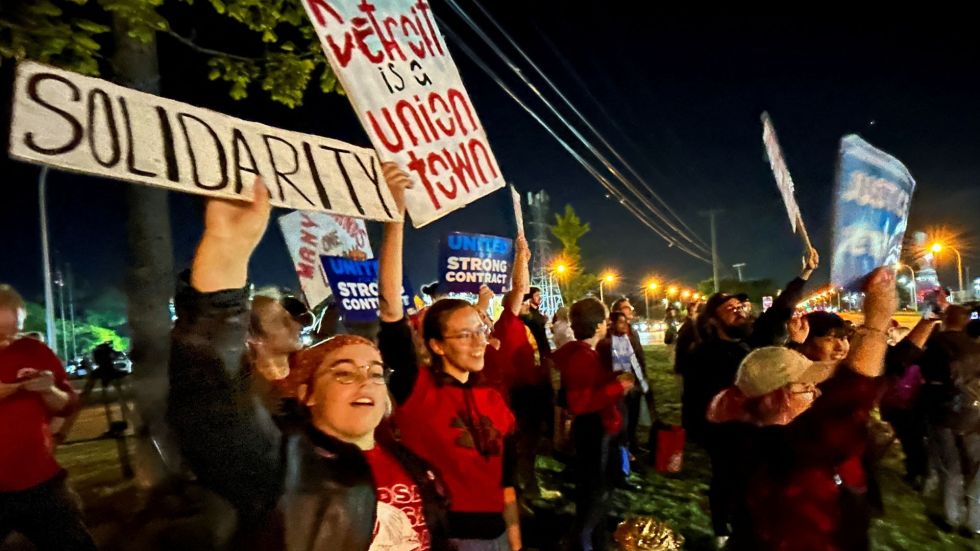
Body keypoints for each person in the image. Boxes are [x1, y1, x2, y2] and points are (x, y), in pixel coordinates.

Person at [167, 174, 452, 551]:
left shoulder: (414, 465)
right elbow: (213, 400)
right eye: (344, 374)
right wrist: (226, 252)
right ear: (308, 393)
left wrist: (393, 216)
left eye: (376, 373)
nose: (365, 381)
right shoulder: (283, 470)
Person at [376, 164, 523, 551]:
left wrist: (515, 539)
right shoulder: (416, 386)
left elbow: (506, 483)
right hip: (446, 539)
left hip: (498, 538)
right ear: (437, 345)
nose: (479, 342)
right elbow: (391, 308)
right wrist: (395, 217)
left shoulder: (493, 398)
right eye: (464, 334)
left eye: (480, 330)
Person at [707, 267, 898, 550]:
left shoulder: (755, 434)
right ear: (773, 401)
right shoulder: (786, 456)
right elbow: (844, 403)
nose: (815, 391)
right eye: (805, 386)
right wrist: (877, 320)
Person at [684, 247, 819, 546]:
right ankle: (723, 529)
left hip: (756, 428)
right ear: (713, 321)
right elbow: (696, 402)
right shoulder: (705, 355)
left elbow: (778, 313)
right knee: (727, 480)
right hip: (724, 434)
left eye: (743, 307)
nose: (741, 311)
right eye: (731, 308)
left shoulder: (751, 341)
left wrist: (804, 274)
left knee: (756, 484)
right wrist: (703, 435)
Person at [0, 284, 94, 551]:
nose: (8, 341)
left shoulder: (33, 351)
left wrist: (49, 390)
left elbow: (67, 405)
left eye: (13, 331)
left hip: (40, 482)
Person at [553, 298, 634, 551]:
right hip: (593, 430)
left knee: (599, 490)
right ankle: (581, 541)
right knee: (594, 492)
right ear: (598, 324)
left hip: (599, 429)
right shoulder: (580, 357)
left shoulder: (589, 353)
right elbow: (579, 403)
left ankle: (596, 539)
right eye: (606, 320)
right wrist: (617, 387)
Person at [918, 305, 980, 535]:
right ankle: (975, 522)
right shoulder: (975, 346)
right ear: (964, 322)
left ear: (946, 319)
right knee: (975, 467)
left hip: (941, 414)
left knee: (950, 466)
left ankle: (952, 517)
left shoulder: (935, 344)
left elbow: (922, 373)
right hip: (973, 415)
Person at [597, 311, 650, 465]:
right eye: (620, 322)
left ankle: (630, 448)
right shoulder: (606, 343)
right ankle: (622, 457)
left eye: (625, 322)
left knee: (631, 420)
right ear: (611, 323)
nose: (624, 325)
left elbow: (633, 361)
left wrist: (641, 381)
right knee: (620, 424)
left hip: (629, 387)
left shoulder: (626, 339)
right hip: (616, 390)